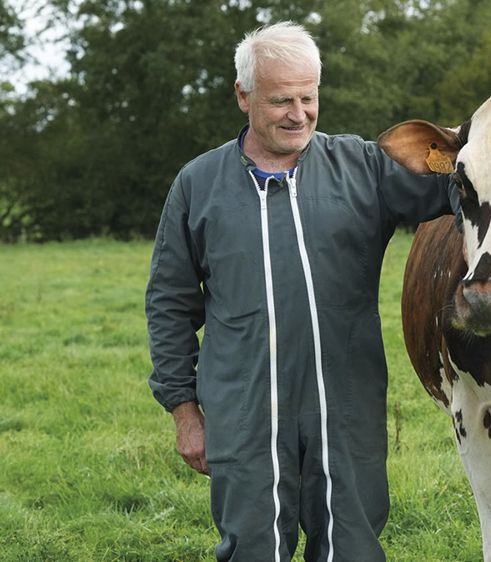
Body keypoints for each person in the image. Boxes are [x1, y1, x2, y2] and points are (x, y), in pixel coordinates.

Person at [145, 22, 454, 562]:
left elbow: (460, 183)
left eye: (308, 97)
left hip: (345, 402)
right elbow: (169, 304)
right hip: (243, 408)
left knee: (351, 547)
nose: (298, 113)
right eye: (281, 99)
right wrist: (184, 410)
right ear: (242, 96)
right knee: (252, 548)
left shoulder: (364, 167)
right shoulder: (198, 184)